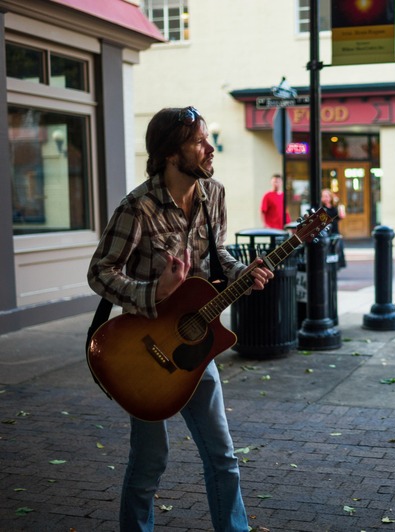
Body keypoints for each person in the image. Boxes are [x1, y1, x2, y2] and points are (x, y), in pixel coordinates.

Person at [87, 106, 273, 532]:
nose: (210, 149)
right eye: (199, 142)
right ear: (172, 154)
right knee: (151, 461)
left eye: (208, 141)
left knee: (222, 456)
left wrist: (242, 273)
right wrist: (154, 292)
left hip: (195, 346)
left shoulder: (214, 195)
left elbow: (217, 255)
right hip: (144, 351)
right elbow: (100, 272)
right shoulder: (138, 207)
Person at [321, 188, 347, 268]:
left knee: (337, 249)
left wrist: (340, 206)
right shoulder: (321, 208)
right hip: (325, 232)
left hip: (335, 231)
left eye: (327, 196)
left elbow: (342, 216)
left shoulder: (336, 207)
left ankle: (335, 268)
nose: (326, 198)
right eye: (324, 196)